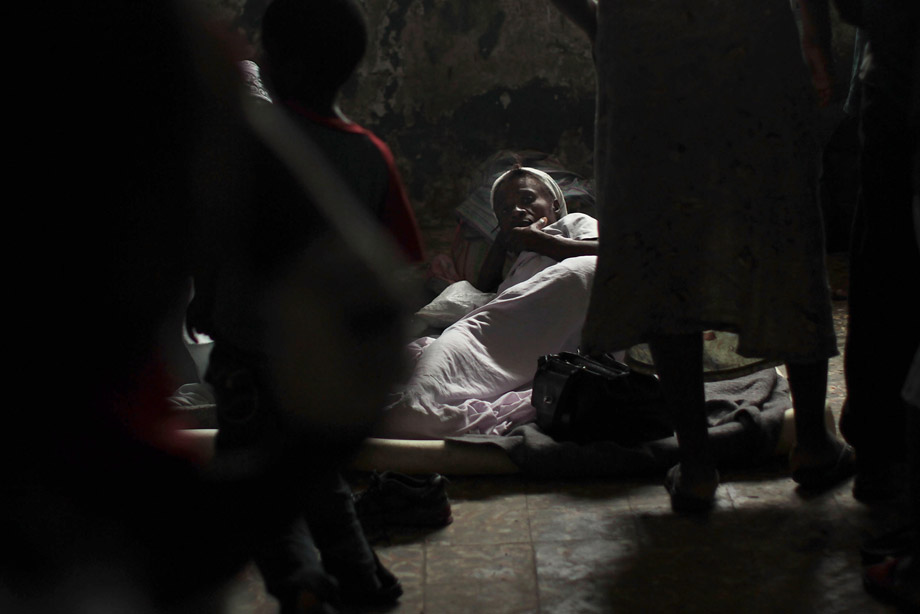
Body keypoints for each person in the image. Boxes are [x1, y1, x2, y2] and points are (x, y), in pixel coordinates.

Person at [550, 0, 854, 511]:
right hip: (750, 30)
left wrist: (597, 25)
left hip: (641, 40)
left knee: (666, 228)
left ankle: (695, 466)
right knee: (779, 221)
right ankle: (813, 444)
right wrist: (816, 35)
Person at [375, 166, 599, 439]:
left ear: (554, 204)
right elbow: (484, 289)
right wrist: (505, 240)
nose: (516, 210)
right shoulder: (519, 264)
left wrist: (540, 241)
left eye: (527, 200)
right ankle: (420, 405)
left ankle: (421, 412)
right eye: (505, 210)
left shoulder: (572, 224)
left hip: (557, 316)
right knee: (444, 358)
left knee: (586, 269)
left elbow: (608, 256)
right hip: (504, 330)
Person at [258, 0, 425, 265]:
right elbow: (403, 259)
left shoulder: (252, 137)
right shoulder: (372, 156)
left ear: (286, 65)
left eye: (266, 50)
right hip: (333, 305)